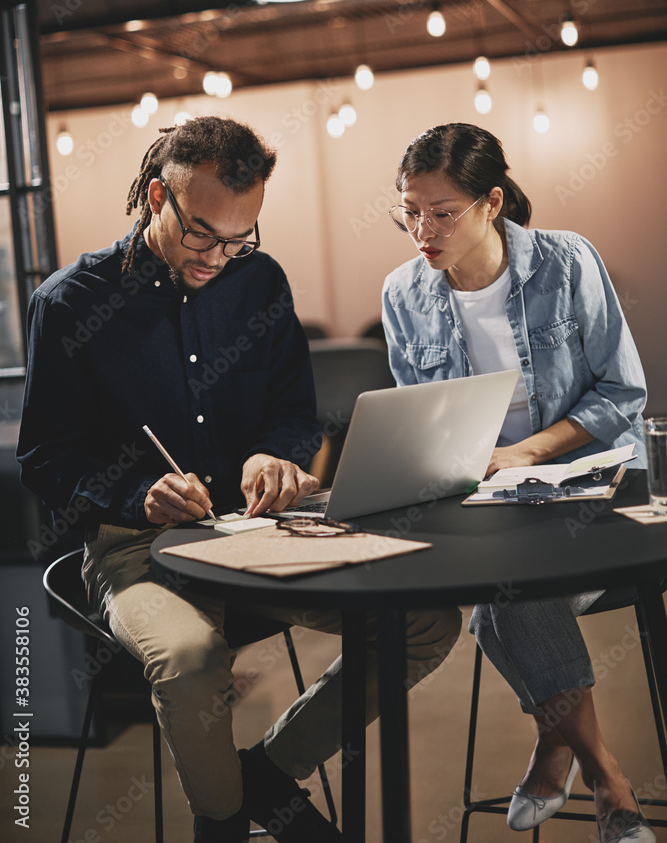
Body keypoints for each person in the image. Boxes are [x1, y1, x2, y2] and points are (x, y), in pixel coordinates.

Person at [18, 116, 462, 843]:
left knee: (424, 622)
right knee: (192, 662)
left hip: (259, 533)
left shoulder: (259, 282)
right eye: (202, 234)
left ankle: (268, 772)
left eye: (239, 237)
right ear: (157, 196)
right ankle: (220, 824)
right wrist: (138, 495)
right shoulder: (70, 302)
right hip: (138, 546)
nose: (218, 257)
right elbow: (45, 458)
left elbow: (295, 415)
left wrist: (274, 455)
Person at [381, 122, 654, 843]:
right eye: (409, 211)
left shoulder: (566, 262)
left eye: (441, 212)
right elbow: (423, 419)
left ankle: (571, 756)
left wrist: (525, 452)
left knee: (504, 603)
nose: (421, 230)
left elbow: (622, 394)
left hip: (593, 488)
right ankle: (598, 769)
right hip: (488, 506)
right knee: (505, 584)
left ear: (491, 202)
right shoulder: (402, 294)